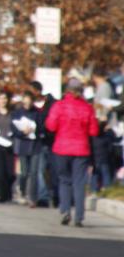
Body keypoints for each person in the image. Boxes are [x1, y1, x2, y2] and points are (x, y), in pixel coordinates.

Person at [45, 78, 98, 227]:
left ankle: (65, 210)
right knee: (79, 182)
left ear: (67, 90)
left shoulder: (59, 106)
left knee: (64, 180)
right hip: (81, 149)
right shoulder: (87, 108)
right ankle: (79, 216)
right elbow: (93, 131)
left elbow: (51, 126)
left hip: (62, 148)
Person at [11, 89, 44, 207]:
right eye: (25, 102)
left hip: (35, 145)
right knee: (24, 172)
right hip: (22, 145)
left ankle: (33, 198)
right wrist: (22, 132)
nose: (27, 105)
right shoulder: (17, 113)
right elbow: (14, 129)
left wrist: (35, 129)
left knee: (34, 173)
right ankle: (22, 191)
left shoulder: (37, 113)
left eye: (30, 102)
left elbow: (42, 128)